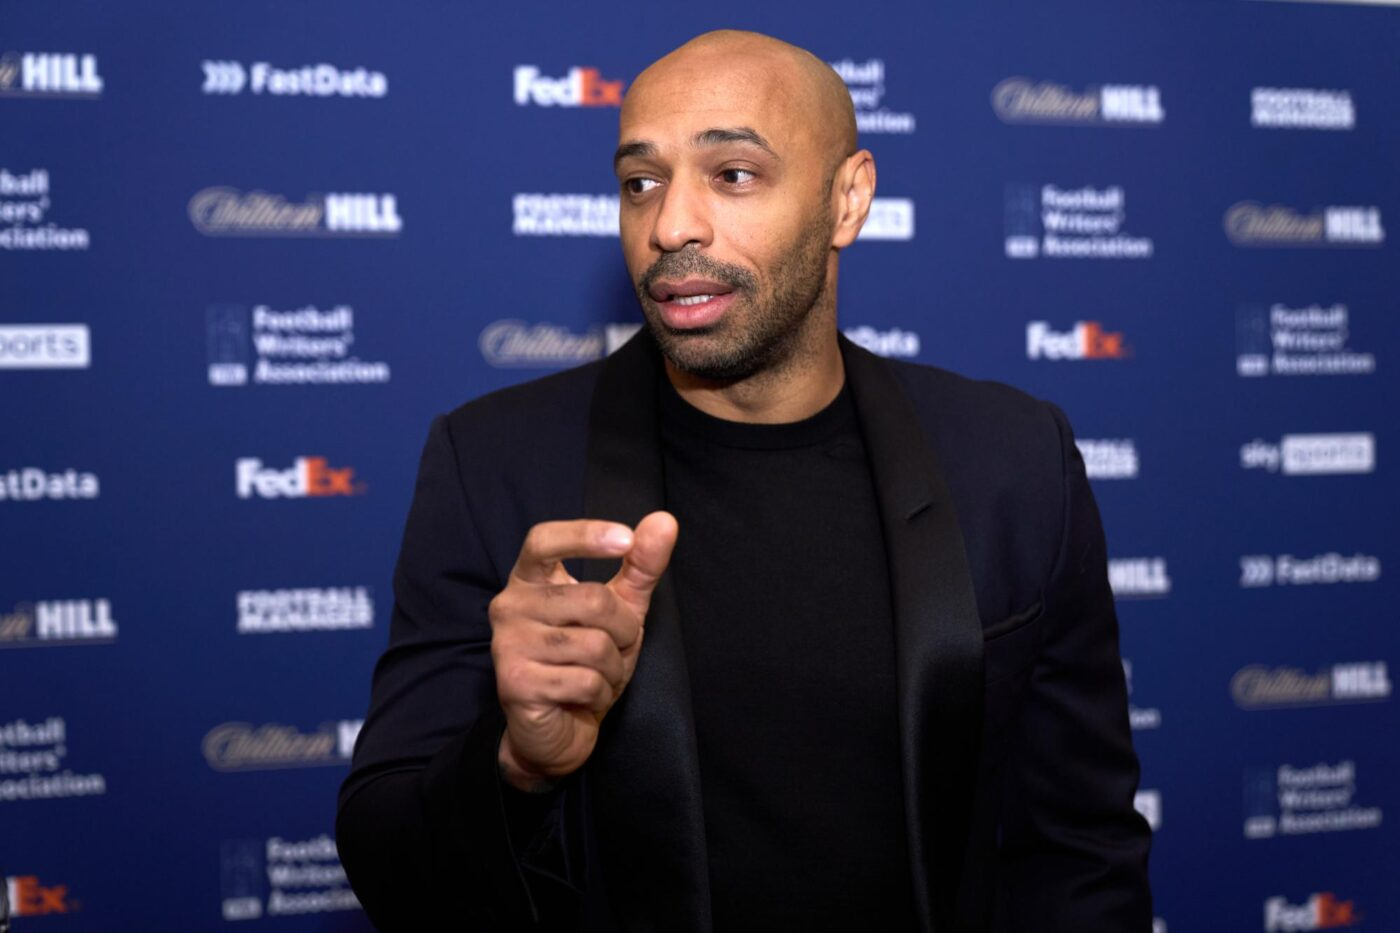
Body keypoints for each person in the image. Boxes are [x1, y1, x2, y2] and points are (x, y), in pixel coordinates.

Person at [338, 29, 1152, 933]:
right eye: (641, 182)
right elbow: (385, 858)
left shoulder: (1012, 458)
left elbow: (1082, 849)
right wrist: (517, 765)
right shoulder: (493, 463)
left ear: (847, 200)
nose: (669, 225)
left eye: (732, 174)